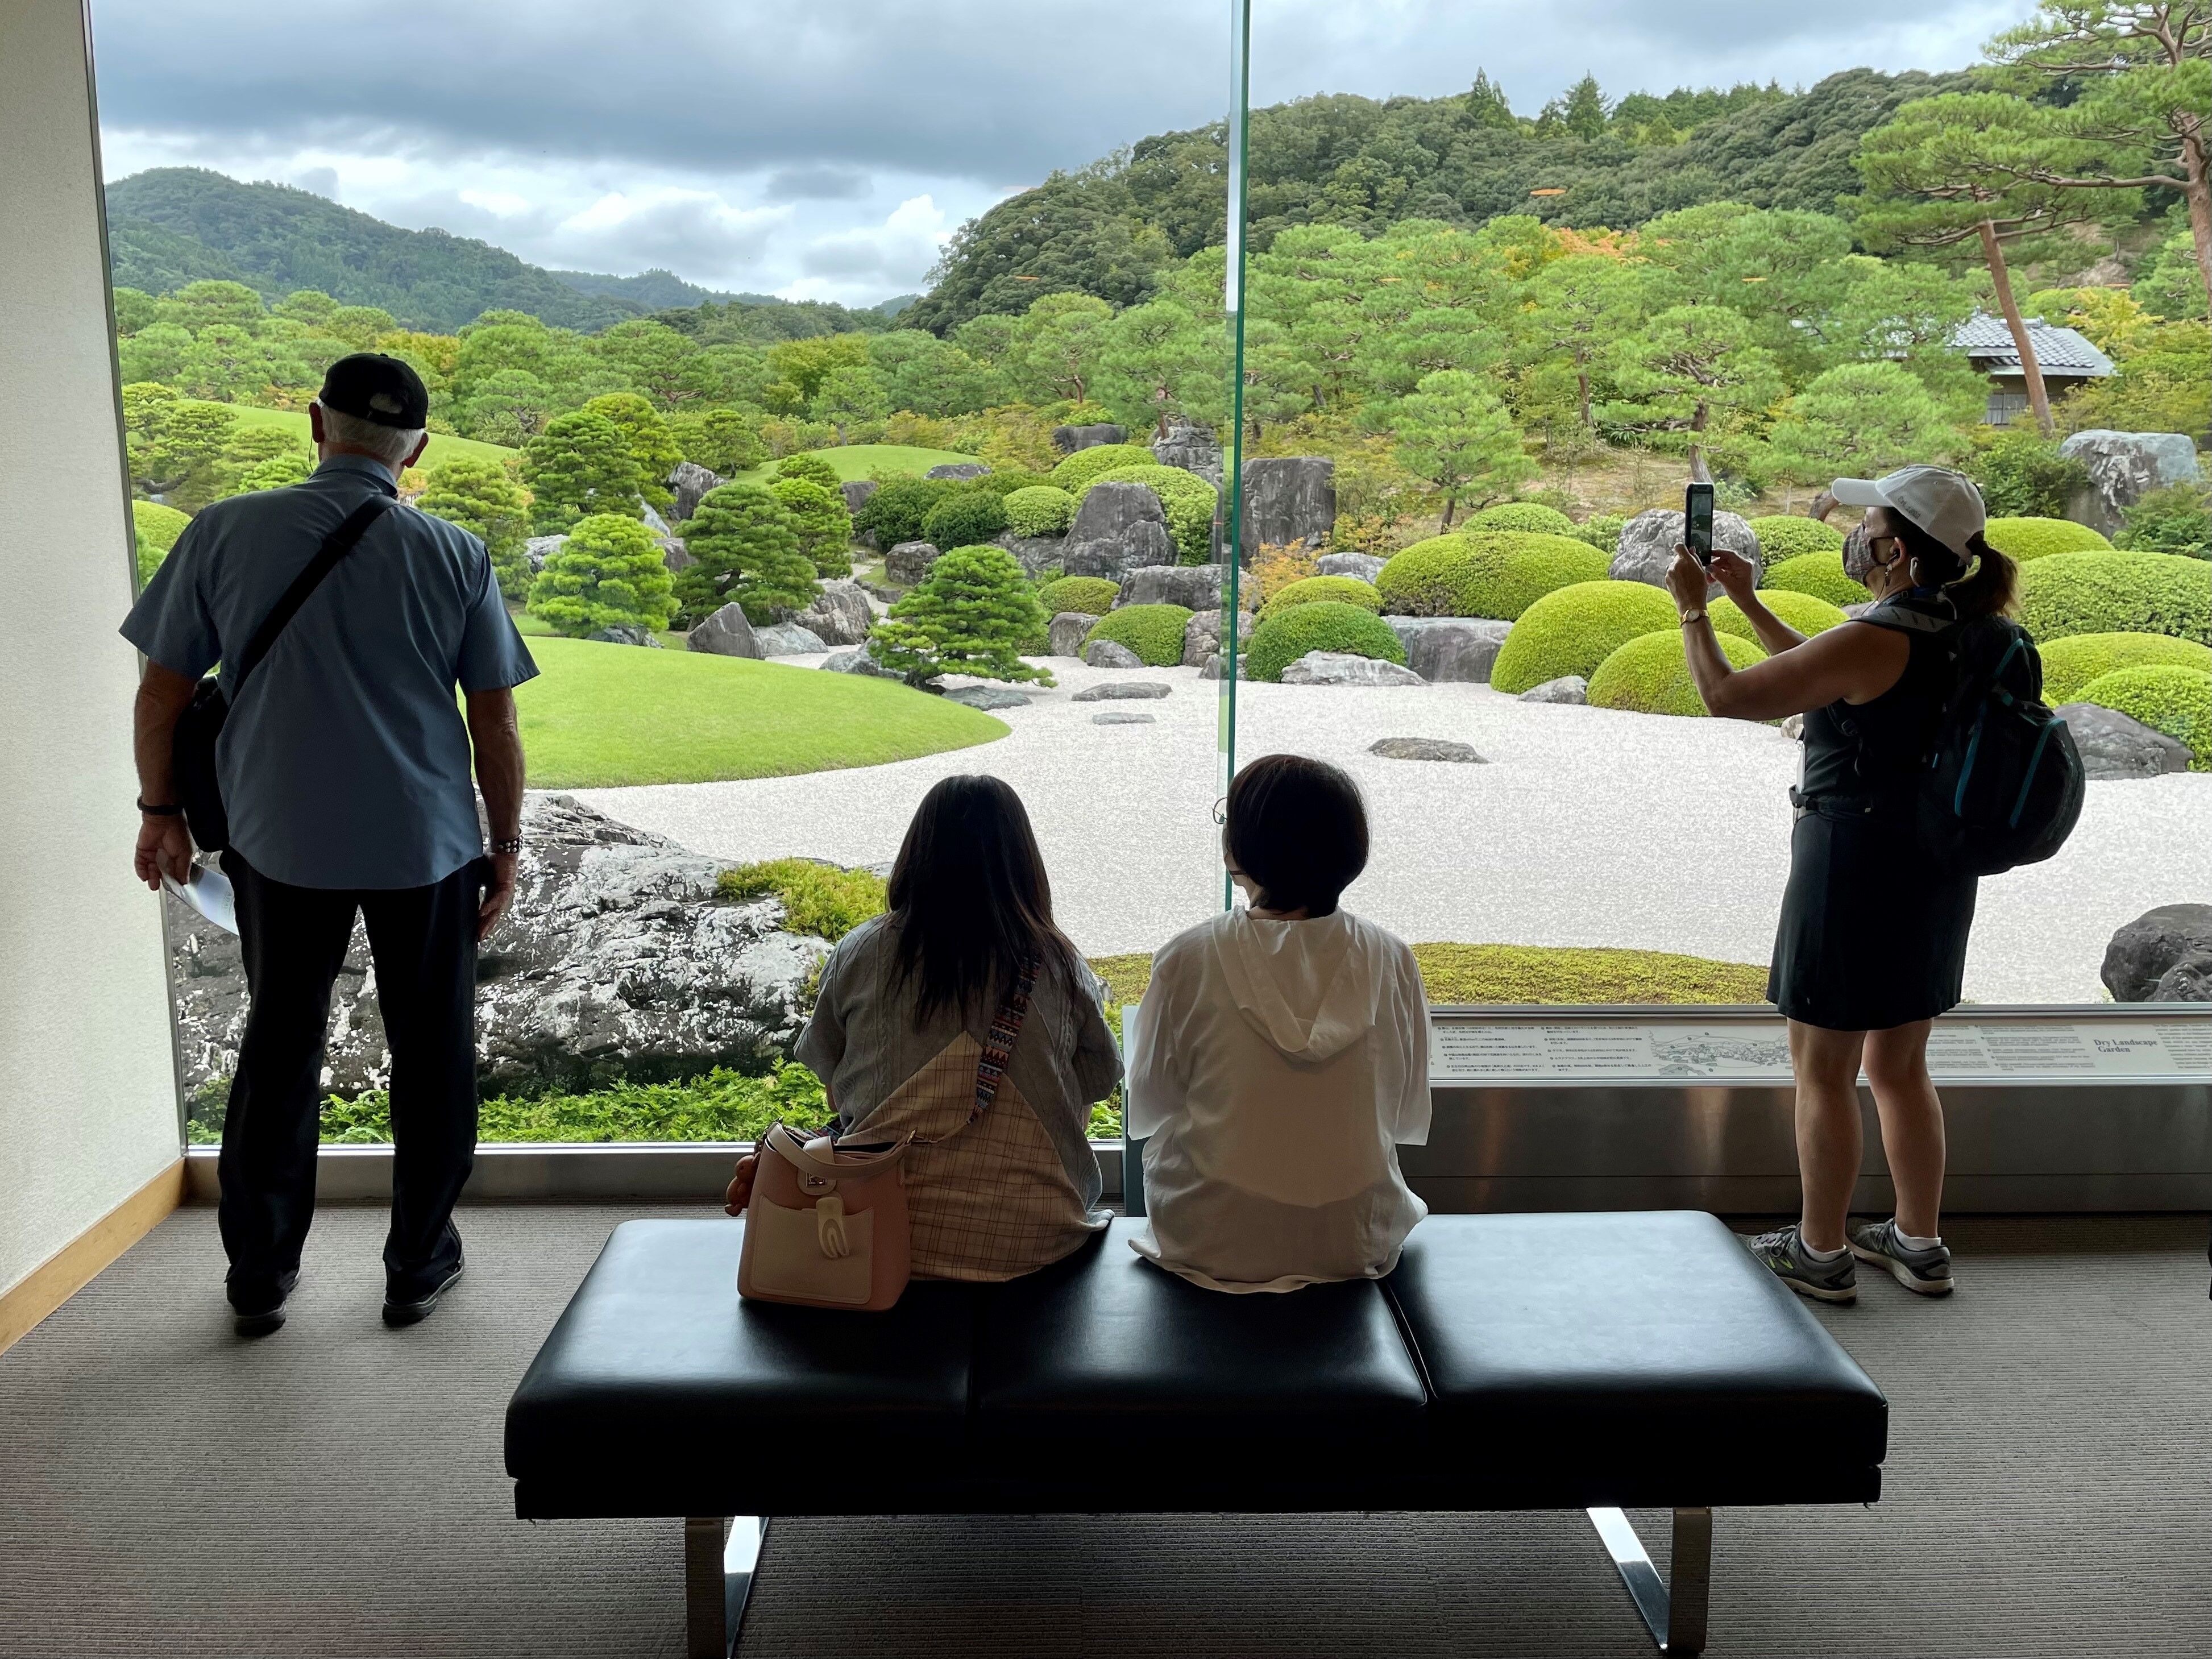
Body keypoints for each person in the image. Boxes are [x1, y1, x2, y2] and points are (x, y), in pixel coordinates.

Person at [124, 353, 537, 1336]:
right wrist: (507, 844)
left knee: (280, 1044)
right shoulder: (457, 553)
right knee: (433, 1051)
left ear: (317, 423)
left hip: (279, 840)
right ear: (416, 451)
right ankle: (418, 1263)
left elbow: (161, 694)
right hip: (426, 841)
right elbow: (494, 721)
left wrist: (159, 810)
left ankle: (260, 1273)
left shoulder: (223, 530)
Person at [1664, 466, 2020, 1305]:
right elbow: (1827, 678)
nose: (1856, 535)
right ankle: (1919, 1241)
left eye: (1870, 527)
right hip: (1936, 868)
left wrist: (1692, 610)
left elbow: (1727, 696)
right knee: (1900, 1066)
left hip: (1852, 864)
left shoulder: (1878, 635)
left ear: (1897, 552)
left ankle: (1818, 1250)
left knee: (1823, 1069)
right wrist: (1749, 604)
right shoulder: (1973, 630)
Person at [725, 776, 1122, 1280]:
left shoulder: (861, 951)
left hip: (874, 1234)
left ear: (916, 852)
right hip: (1037, 1243)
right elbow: (1088, 1096)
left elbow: (838, 1095)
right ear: (1025, 862)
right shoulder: (1061, 963)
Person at [1125, 754, 1433, 1293]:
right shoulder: (1391, 958)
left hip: (1210, 1237)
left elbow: (1149, 1104)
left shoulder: (1187, 957)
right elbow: (1404, 1110)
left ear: (1241, 848)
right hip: (1355, 1238)